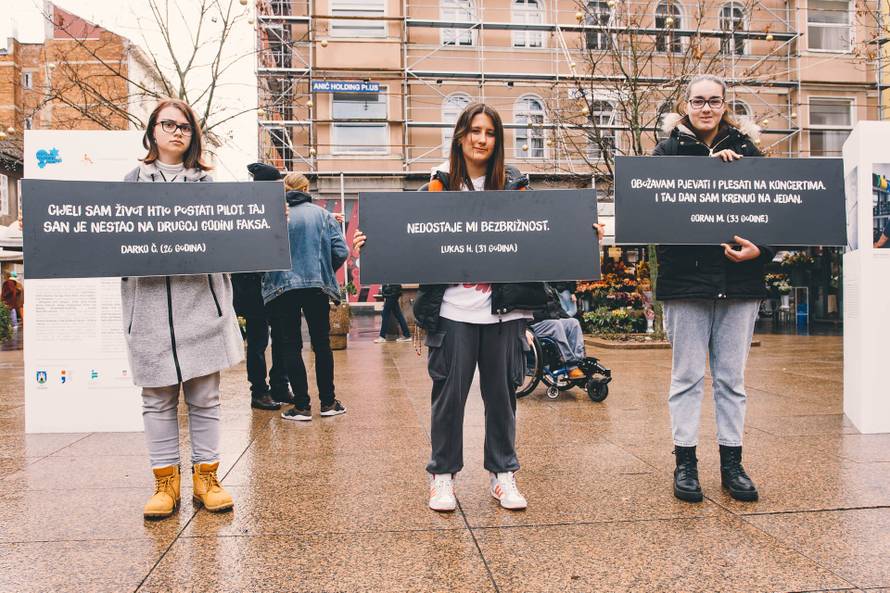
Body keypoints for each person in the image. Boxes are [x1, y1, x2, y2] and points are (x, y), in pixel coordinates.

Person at [354, 103, 550, 512]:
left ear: (497, 141)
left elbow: (543, 239)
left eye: (490, 132)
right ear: (460, 136)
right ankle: (442, 478)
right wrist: (370, 251)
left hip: (504, 313)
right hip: (452, 312)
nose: (481, 139)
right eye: (474, 130)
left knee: (502, 397)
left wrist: (582, 238)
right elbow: (405, 244)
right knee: (448, 398)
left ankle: (503, 475)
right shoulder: (434, 193)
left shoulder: (517, 190)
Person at [654, 74, 772, 503]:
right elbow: (653, 216)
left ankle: (732, 464)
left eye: (715, 101)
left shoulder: (748, 151)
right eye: (699, 101)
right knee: (685, 376)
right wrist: (704, 171)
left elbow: (772, 212)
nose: (707, 108)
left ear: (725, 105)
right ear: (686, 105)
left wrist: (762, 250)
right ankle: (685, 464)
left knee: (731, 380)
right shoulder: (665, 154)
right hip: (686, 284)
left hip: (740, 283)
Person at [123, 98, 242, 519]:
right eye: (168, 124)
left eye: (185, 126)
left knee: (205, 398)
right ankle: (165, 484)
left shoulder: (209, 187)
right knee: (156, 398)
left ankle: (206, 479)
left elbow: (232, 244)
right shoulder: (131, 183)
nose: (176, 131)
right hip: (151, 309)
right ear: (152, 130)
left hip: (200, 307)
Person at [263, 172, 349, 422]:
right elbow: (340, 251)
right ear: (306, 187)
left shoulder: (277, 216)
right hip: (317, 287)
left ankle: (301, 406)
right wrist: (322, 269)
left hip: (283, 289)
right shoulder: (323, 215)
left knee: (291, 345)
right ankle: (328, 403)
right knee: (321, 343)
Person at [231, 162, 293, 411]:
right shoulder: (245, 211)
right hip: (253, 286)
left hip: (275, 285)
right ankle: (259, 390)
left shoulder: (280, 210)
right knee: (258, 341)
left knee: (280, 338)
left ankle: (279, 384)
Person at [530, 285, 586, 379]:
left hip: (548, 320)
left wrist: (566, 318)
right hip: (533, 322)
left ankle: (579, 360)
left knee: (573, 323)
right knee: (556, 324)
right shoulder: (527, 287)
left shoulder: (546, 287)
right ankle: (570, 364)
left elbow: (556, 307)